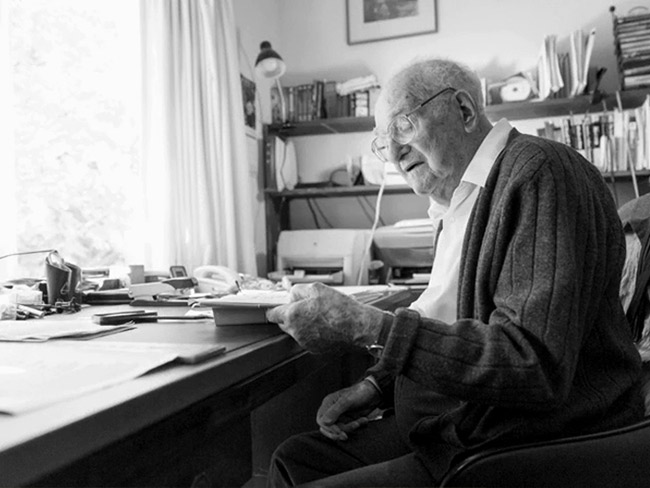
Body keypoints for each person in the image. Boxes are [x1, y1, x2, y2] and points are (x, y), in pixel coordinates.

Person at [265, 58, 645, 487]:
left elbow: (532, 365)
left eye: (403, 126)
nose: (392, 153)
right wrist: (377, 386)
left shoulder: (540, 172)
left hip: (510, 441)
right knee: (295, 460)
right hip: (460, 421)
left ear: (464, 110)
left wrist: (370, 326)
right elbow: (450, 327)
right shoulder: (458, 203)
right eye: (382, 141)